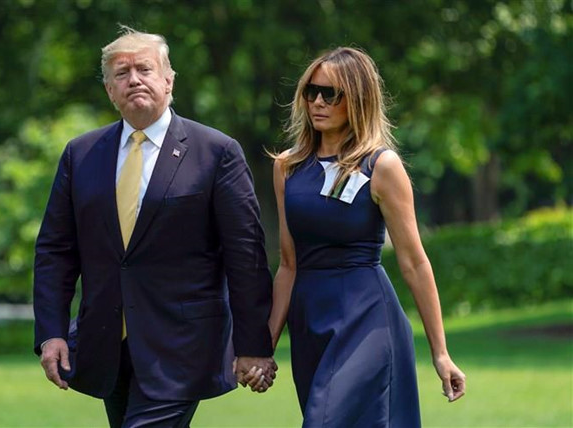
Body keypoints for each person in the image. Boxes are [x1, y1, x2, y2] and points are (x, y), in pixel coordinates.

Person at [33, 26, 276, 428]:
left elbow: (245, 255)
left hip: (183, 347)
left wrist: (253, 345)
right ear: (109, 90)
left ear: (168, 80)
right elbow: (55, 251)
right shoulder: (81, 154)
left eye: (144, 69)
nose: (134, 80)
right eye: (121, 73)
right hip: (106, 346)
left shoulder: (216, 152)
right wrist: (51, 332)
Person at [259, 47, 467, 426]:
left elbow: (414, 262)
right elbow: (288, 265)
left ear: (358, 99)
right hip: (309, 323)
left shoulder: (381, 166)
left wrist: (441, 353)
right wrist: (266, 345)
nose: (317, 102)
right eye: (311, 92)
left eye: (330, 94)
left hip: (366, 319)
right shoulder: (287, 167)